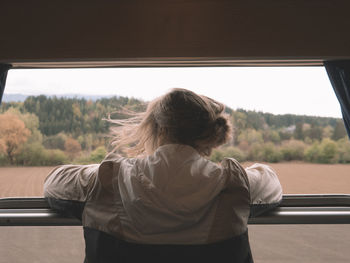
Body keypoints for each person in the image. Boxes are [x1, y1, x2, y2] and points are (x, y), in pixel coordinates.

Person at [44, 88, 282, 263]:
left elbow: (54, 182)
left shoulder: (109, 179)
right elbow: (270, 180)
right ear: (207, 134)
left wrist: (101, 171)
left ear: (161, 130)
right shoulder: (233, 184)